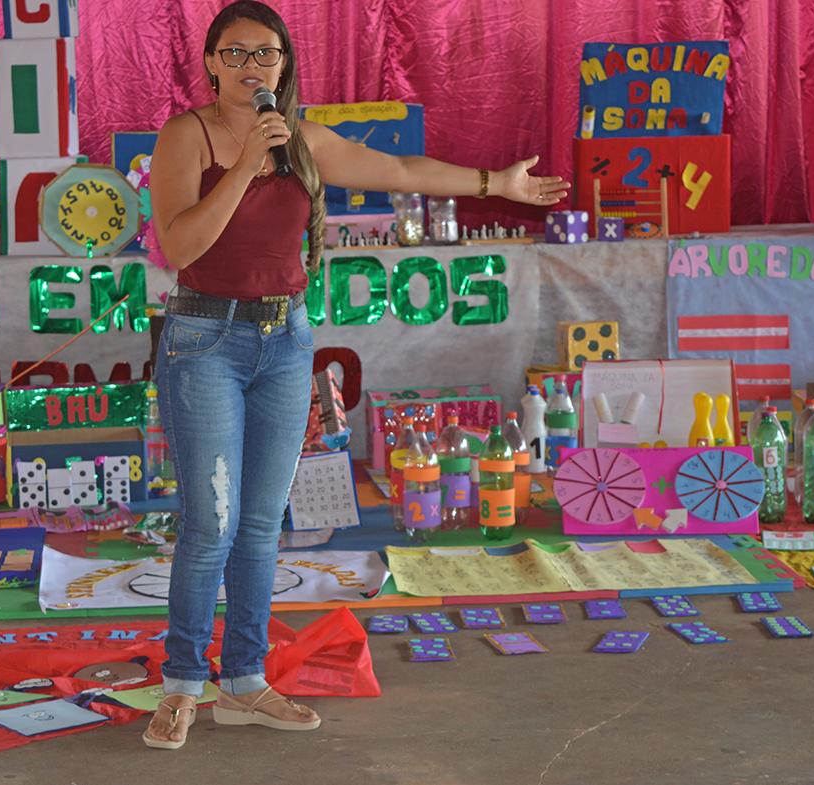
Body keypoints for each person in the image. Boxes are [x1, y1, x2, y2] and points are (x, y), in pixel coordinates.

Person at [144, 1, 569, 750]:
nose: (252, 68)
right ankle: (181, 684)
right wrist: (243, 166)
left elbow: (400, 169)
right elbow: (180, 244)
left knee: (259, 523)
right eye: (236, 54)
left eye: (266, 55)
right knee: (210, 522)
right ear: (210, 62)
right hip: (203, 339)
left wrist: (493, 181)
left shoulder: (300, 140)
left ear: (283, 65)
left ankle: (243, 681)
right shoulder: (187, 135)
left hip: (284, 342)